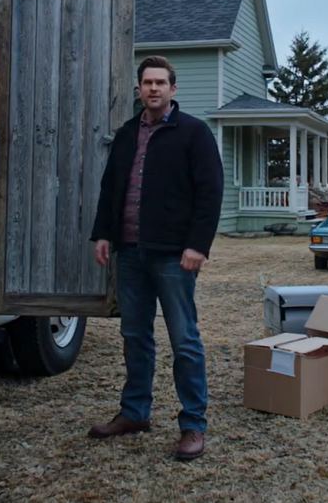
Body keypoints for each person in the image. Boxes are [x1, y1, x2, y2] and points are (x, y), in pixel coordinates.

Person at [87, 56, 224, 461]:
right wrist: (102, 233)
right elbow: (110, 187)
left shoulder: (194, 134)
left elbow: (210, 193)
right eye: (147, 82)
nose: (153, 89)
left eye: (161, 82)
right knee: (135, 336)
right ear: (139, 88)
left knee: (184, 340)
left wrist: (197, 246)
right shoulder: (128, 133)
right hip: (130, 254)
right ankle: (135, 413)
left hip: (173, 257)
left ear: (173, 89)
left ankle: (193, 425)